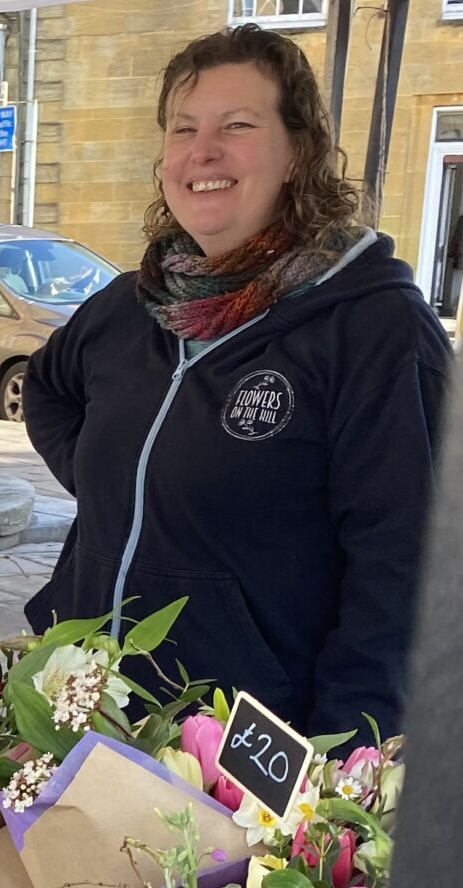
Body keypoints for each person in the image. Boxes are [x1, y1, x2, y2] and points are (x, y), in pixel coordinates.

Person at [23, 25, 452, 739]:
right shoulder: (132, 304)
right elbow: (47, 387)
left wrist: (344, 756)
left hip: (246, 758)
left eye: (237, 126)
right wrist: (130, 488)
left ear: (298, 153)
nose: (203, 151)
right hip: (83, 711)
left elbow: (408, 572)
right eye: (183, 128)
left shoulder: (375, 329)